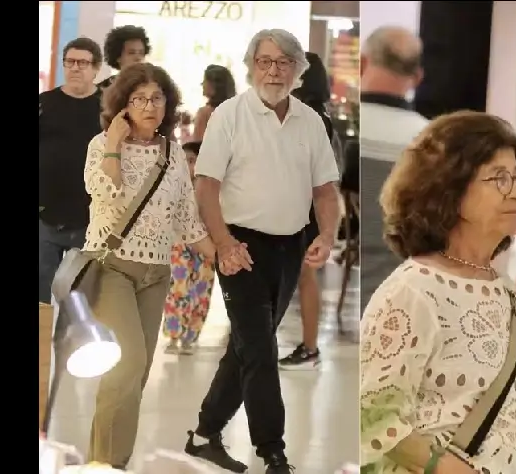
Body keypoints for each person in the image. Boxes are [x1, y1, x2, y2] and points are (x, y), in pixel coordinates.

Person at [184, 29, 341, 474]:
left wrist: (326, 235)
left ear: (297, 70)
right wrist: (223, 243)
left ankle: (203, 434)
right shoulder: (230, 115)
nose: (274, 70)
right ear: (252, 66)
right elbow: (206, 187)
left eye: (284, 62)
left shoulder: (310, 120)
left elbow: (326, 191)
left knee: (245, 346)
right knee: (260, 349)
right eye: (266, 61)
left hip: (289, 248)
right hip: (240, 247)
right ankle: (274, 453)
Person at [359, 111, 516, 474]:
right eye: (499, 178)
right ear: (449, 188)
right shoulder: (413, 289)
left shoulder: (504, 292)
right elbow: (371, 417)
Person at [84, 63, 216, 469]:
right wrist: (113, 146)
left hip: (157, 274)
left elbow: (186, 217)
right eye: (139, 98)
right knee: (128, 364)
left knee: (135, 377)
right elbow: (105, 195)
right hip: (112, 270)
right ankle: (103, 463)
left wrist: (218, 255)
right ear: (123, 104)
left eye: (157, 98)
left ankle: (112, 462)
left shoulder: (174, 154)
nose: (149, 106)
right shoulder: (100, 145)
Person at [359, 26, 429, 313]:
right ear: (417, 77)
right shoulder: (432, 141)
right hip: (407, 302)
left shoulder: (337, 130)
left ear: (363, 63)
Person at [278, 51, 336, 371]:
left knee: (302, 275)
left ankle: (310, 347)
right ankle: (309, 346)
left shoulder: (306, 116)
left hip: (300, 205)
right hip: (306, 204)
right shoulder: (320, 115)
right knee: (303, 276)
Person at [39, 37, 105, 305]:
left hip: (89, 219)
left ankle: (72, 347)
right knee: (41, 295)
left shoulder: (107, 107)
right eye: (70, 62)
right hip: (46, 216)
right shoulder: (45, 103)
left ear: (96, 68)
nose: (75, 68)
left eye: (83, 62)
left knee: (82, 299)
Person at [163, 141, 216, 355]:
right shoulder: (171, 186)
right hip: (179, 245)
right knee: (178, 289)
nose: (187, 165)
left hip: (207, 245)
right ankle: (174, 336)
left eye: (192, 161)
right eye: (182, 160)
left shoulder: (212, 188)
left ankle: (191, 336)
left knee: (201, 290)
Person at [97, 25, 150, 90]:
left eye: (141, 53)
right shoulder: (102, 89)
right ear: (118, 57)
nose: (138, 58)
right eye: (131, 53)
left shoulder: (152, 87)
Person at [194, 64, 237, 141]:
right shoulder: (237, 111)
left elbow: (197, 146)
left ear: (213, 85)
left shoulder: (204, 113)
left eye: (204, 81)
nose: (202, 84)